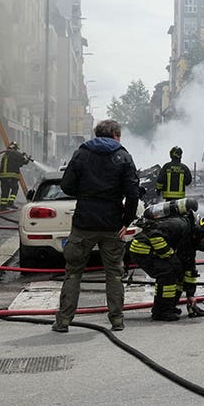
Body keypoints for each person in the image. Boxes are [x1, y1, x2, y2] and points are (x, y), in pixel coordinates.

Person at [53, 120, 140, 332]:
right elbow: (133, 193)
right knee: (114, 273)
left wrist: (86, 195)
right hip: (112, 224)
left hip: (84, 222)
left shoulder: (82, 154)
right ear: (116, 135)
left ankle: (63, 321)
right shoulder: (124, 157)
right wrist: (125, 221)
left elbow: (66, 186)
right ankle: (117, 320)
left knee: (73, 272)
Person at [128, 203, 204, 321]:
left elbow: (189, 267)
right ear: (203, 231)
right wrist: (170, 256)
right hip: (142, 250)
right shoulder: (180, 225)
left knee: (179, 269)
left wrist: (190, 296)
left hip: (152, 251)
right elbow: (155, 236)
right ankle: (161, 311)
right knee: (169, 271)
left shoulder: (191, 237)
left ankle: (169, 307)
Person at [0, 141, 32, 210]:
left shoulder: (6, 154)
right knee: (15, 188)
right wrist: (27, 158)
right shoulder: (15, 154)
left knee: (5, 191)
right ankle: (10, 202)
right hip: (11, 176)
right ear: (15, 148)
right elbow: (23, 161)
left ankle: (3, 206)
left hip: (2, 177)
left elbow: (17, 162)